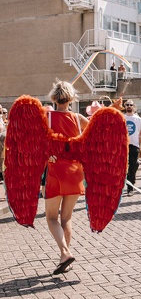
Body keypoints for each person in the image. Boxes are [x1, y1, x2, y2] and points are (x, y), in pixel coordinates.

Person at [45, 81, 89, 275]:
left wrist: (48, 153)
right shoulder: (79, 119)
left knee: (51, 217)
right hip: (75, 170)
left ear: (54, 98)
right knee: (66, 217)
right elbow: (96, 134)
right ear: (71, 98)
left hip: (56, 170)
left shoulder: (46, 117)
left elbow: (34, 141)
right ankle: (67, 258)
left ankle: (64, 253)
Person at [124, 99, 141, 196]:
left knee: (133, 166)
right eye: (127, 105)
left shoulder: (138, 119)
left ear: (133, 106)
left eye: (131, 104)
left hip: (134, 145)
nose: (129, 106)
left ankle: (130, 186)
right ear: (125, 106)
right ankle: (127, 187)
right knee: (124, 167)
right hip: (124, 145)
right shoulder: (122, 118)